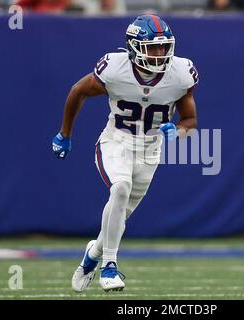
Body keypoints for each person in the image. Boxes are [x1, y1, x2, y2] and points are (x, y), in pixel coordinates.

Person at [52, 15, 199, 292]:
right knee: (120, 188)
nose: (160, 53)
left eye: (163, 47)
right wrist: (65, 134)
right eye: (152, 47)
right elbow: (77, 91)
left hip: (149, 152)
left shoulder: (180, 74)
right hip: (116, 141)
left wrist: (177, 131)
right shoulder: (115, 69)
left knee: (118, 216)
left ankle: (91, 257)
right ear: (133, 47)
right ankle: (110, 265)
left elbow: (190, 121)